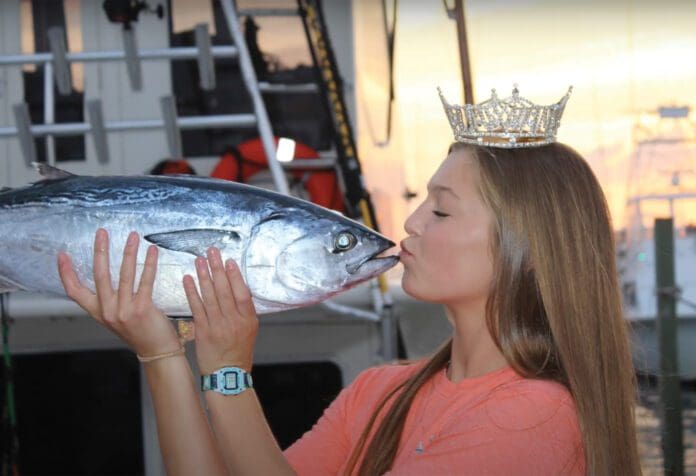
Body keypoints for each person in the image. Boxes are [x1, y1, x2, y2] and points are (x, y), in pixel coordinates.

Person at [56, 87, 641, 475]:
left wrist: (228, 374)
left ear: (528, 247)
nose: (410, 222)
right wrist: (160, 352)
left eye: (440, 210)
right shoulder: (380, 391)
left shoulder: (534, 416)